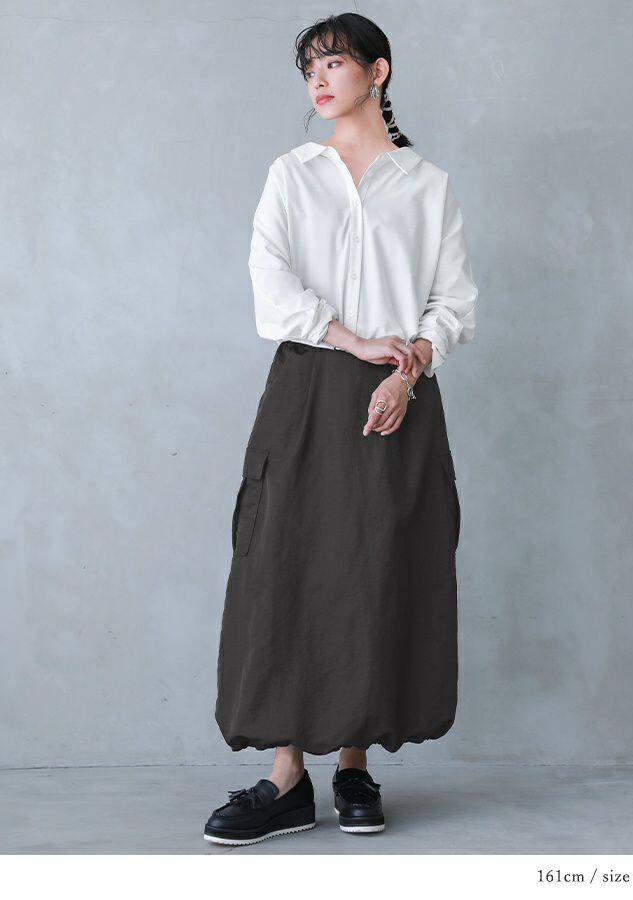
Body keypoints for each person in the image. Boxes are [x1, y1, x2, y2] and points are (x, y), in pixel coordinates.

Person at [204, 12, 479, 847]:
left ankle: (353, 766)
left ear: (378, 71)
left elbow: (453, 300)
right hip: (309, 384)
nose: (318, 81)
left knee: (377, 566)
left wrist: (408, 367)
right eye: (309, 70)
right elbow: (268, 277)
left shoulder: (426, 184)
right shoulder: (293, 174)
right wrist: (351, 340)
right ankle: (286, 776)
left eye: (333, 64)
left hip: (399, 395)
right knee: (285, 561)